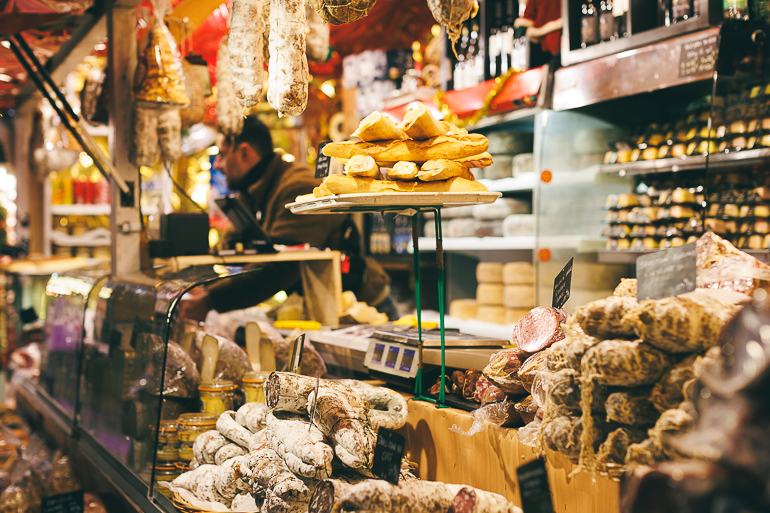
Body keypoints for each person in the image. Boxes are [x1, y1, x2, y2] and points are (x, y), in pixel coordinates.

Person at [180, 115, 396, 321]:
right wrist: (200, 281)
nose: (217, 164)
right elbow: (232, 244)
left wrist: (209, 302)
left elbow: (282, 269)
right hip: (321, 306)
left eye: (222, 154)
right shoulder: (255, 191)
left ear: (244, 152)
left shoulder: (296, 187)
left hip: (363, 307)